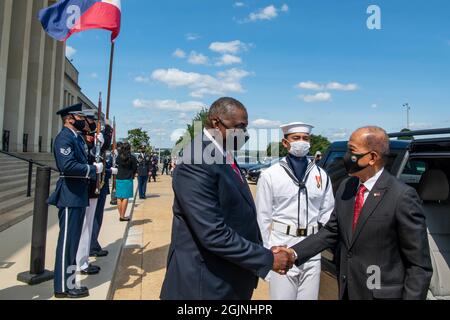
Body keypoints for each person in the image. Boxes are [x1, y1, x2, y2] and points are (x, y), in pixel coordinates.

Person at [160, 97, 295, 300]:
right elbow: (213, 234)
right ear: (216, 122)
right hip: (205, 286)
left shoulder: (220, 154)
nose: (245, 134)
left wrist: (261, 248)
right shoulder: (197, 161)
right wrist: (267, 258)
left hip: (227, 279)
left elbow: (236, 215)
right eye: (239, 127)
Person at [288, 126, 433, 300]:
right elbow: (331, 231)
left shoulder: (402, 196)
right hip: (348, 290)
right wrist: (292, 253)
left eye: (352, 151)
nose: (346, 157)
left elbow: (419, 266)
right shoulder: (346, 186)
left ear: (372, 157)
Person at [256, 122, 335, 300]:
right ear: (285, 143)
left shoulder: (321, 175)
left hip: (311, 250)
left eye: (305, 138)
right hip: (281, 248)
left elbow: (328, 214)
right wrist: (267, 257)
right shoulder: (271, 175)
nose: (301, 142)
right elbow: (262, 219)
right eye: (296, 138)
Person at [48, 104, 103, 299]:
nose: (82, 120)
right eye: (79, 116)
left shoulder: (76, 138)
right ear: (70, 118)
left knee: (72, 242)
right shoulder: (64, 138)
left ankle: (69, 283)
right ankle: (63, 286)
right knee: (67, 243)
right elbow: (68, 165)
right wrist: (92, 169)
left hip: (78, 194)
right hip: (70, 195)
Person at [75, 111, 117, 273]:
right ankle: (83, 258)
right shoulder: (82, 138)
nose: (91, 124)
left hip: (97, 184)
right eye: (90, 121)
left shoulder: (91, 137)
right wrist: (97, 145)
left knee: (94, 219)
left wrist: (106, 132)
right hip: (88, 185)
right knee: (86, 224)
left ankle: (90, 247)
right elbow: (89, 158)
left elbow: (101, 153)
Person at [116, 142, 137, 222]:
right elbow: (134, 168)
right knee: (125, 197)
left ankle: (120, 215)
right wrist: (133, 174)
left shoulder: (118, 157)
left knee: (119, 197)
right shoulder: (132, 158)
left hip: (119, 178)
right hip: (128, 178)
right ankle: (122, 216)